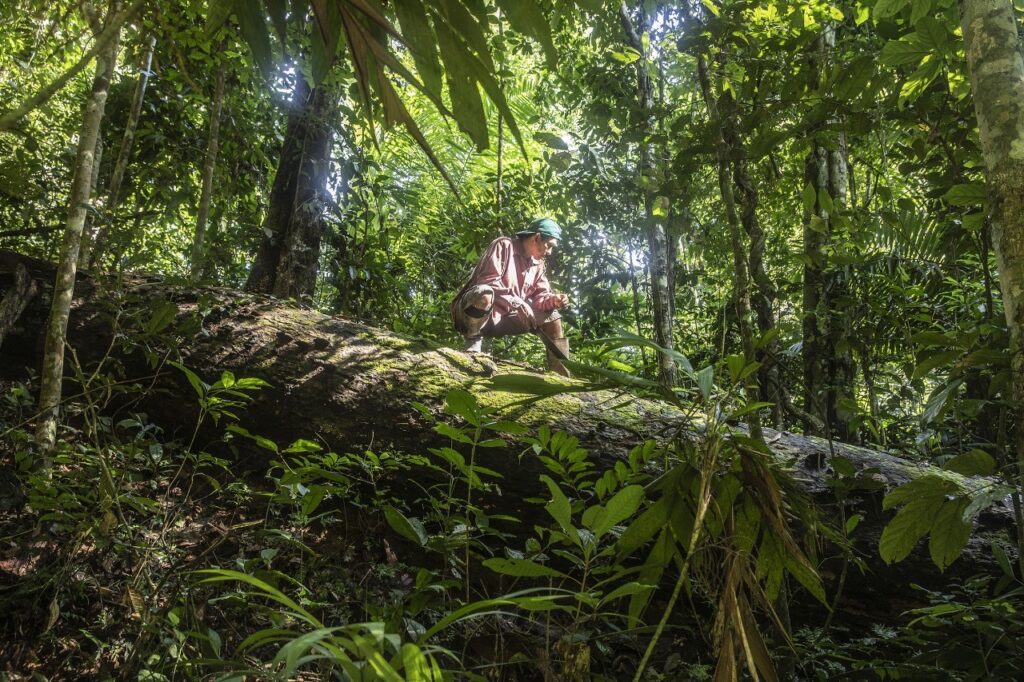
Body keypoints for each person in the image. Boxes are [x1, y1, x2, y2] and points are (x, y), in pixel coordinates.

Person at [451, 218, 572, 376]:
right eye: (549, 245)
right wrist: (517, 302)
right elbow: (488, 281)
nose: (549, 252)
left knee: (553, 317)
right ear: (536, 238)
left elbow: (541, 297)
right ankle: (473, 344)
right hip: (472, 313)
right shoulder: (503, 245)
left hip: (505, 319)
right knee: (484, 293)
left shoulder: (538, 264)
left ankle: (562, 374)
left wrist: (554, 300)